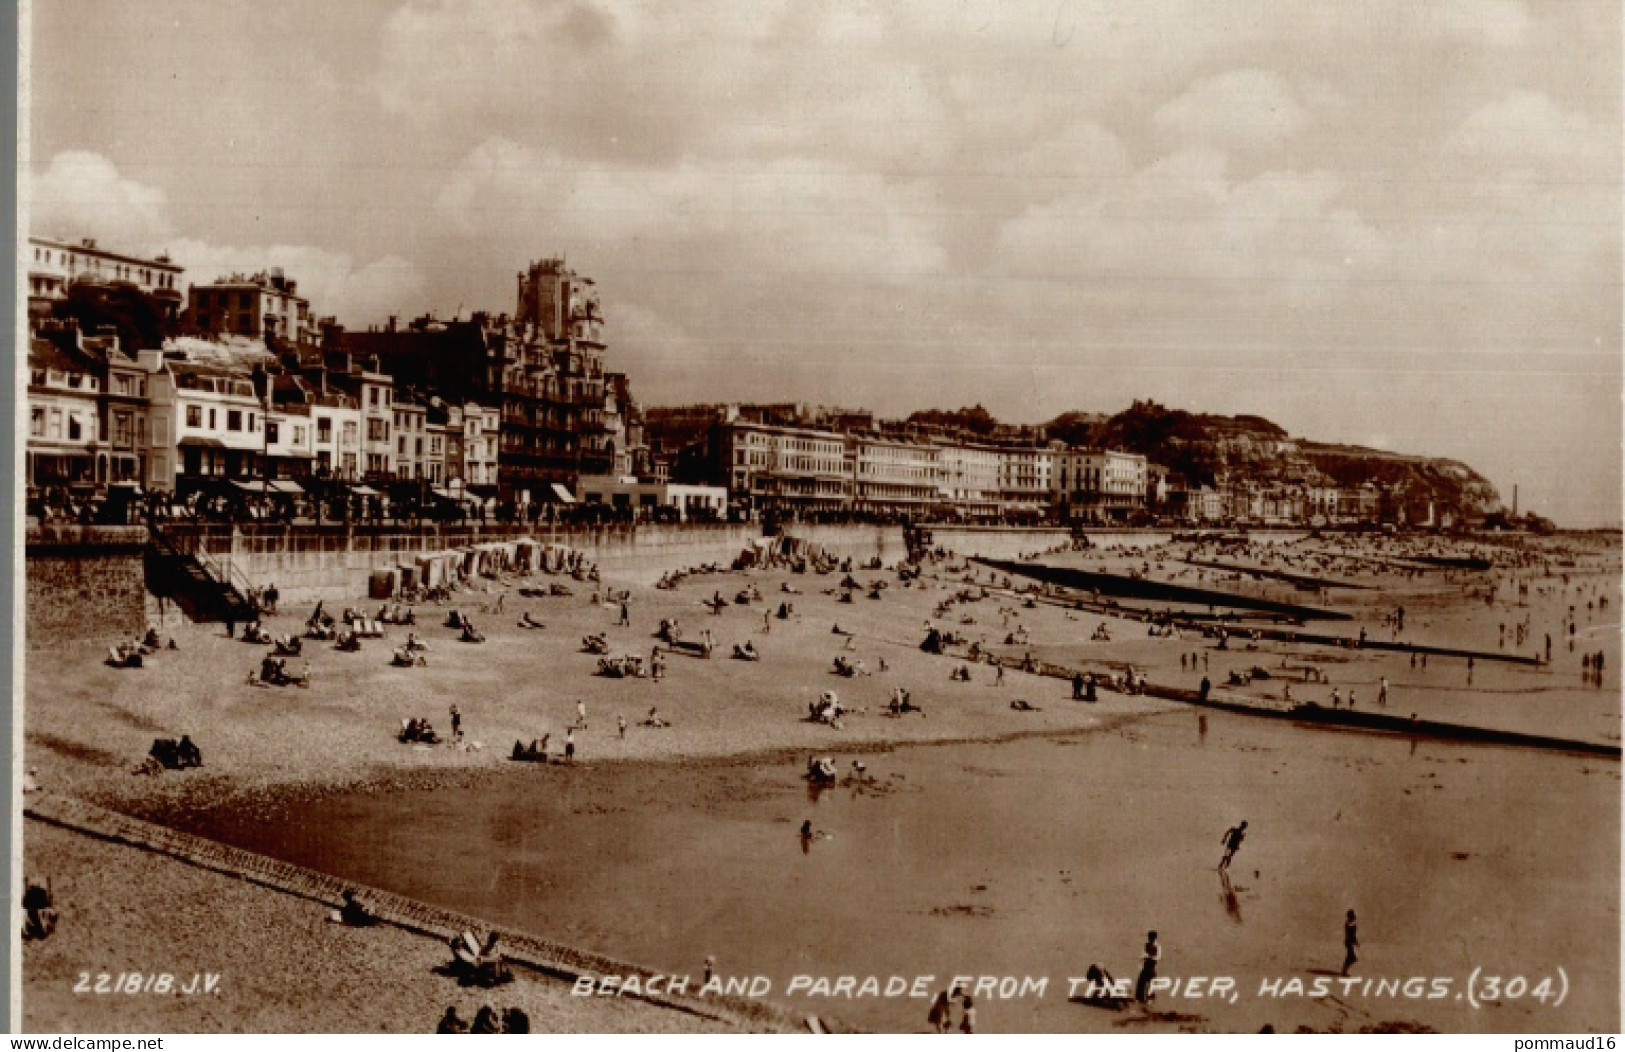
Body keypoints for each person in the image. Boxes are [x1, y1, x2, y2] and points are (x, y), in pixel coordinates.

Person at [1135, 931, 1161, 1003]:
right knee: (1141, 982)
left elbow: (1158, 957)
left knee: (1151, 983)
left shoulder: (1157, 946)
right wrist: (1142, 959)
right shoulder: (1146, 945)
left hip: (1151, 967)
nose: (1150, 939)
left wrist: (1149, 957)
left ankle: (1150, 998)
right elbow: (1142, 954)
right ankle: (1140, 998)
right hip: (1146, 966)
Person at [1342, 909, 1359, 976]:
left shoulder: (1349, 923)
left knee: (1351, 957)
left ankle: (1344, 969)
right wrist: (1355, 942)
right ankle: (1344, 970)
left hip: (1350, 942)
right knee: (1352, 957)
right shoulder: (1349, 924)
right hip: (1350, 942)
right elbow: (1352, 935)